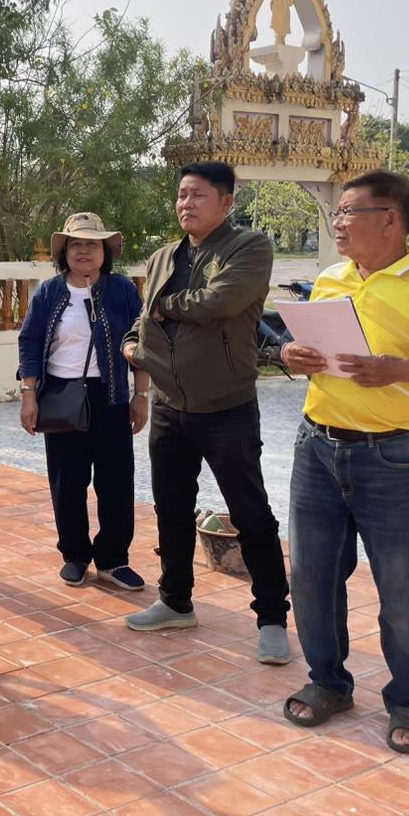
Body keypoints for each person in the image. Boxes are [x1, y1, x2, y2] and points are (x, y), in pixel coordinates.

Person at [280, 170, 409, 753]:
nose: (338, 222)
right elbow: (307, 350)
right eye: (338, 213)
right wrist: (290, 356)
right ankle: (328, 682)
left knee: (401, 584)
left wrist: (400, 369)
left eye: (350, 212)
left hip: (393, 457)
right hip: (316, 447)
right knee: (312, 575)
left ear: (391, 220)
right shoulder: (329, 279)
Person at [121, 161, 292, 665]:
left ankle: (272, 618)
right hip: (170, 407)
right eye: (181, 195)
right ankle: (175, 600)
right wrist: (134, 343)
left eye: (197, 195)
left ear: (226, 203)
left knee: (250, 512)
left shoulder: (249, 247)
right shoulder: (161, 257)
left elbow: (221, 301)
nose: (185, 204)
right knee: (171, 508)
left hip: (227, 408)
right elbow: (142, 314)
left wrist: (163, 307)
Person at [17, 213, 150, 589]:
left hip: (110, 397)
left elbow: (142, 343)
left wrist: (141, 395)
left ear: (105, 252)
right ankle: (75, 554)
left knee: (116, 480)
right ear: (65, 252)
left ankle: (113, 559)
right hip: (60, 395)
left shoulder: (122, 290)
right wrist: (29, 395)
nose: (84, 251)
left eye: (92, 244)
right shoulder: (49, 292)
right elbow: (29, 342)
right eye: (76, 244)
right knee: (67, 480)